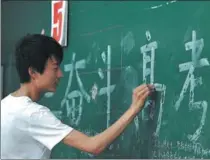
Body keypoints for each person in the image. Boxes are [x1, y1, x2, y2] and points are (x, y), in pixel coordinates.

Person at [1, 34, 154, 159]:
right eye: (55, 68)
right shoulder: (32, 114)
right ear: (33, 72)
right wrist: (134, 108)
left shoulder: (6, 105)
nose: (60, 74)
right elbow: (93, 146)